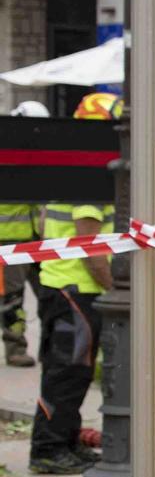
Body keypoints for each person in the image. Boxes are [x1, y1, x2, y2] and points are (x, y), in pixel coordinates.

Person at [30, 98, 120, 476]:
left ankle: (63, 442)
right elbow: (92, 249)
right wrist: (118, 289)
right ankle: (49, 449)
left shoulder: (72, 169)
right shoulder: (92, 179)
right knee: (68, 371)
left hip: (60, 284)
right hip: (75, 288)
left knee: (68, 370)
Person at [0, 101, 50, 369]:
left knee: (49, 293)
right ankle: (15, 347)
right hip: (9, 238)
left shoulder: (31, 152)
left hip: (35, 236)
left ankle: (50, 346)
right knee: (13, 297)